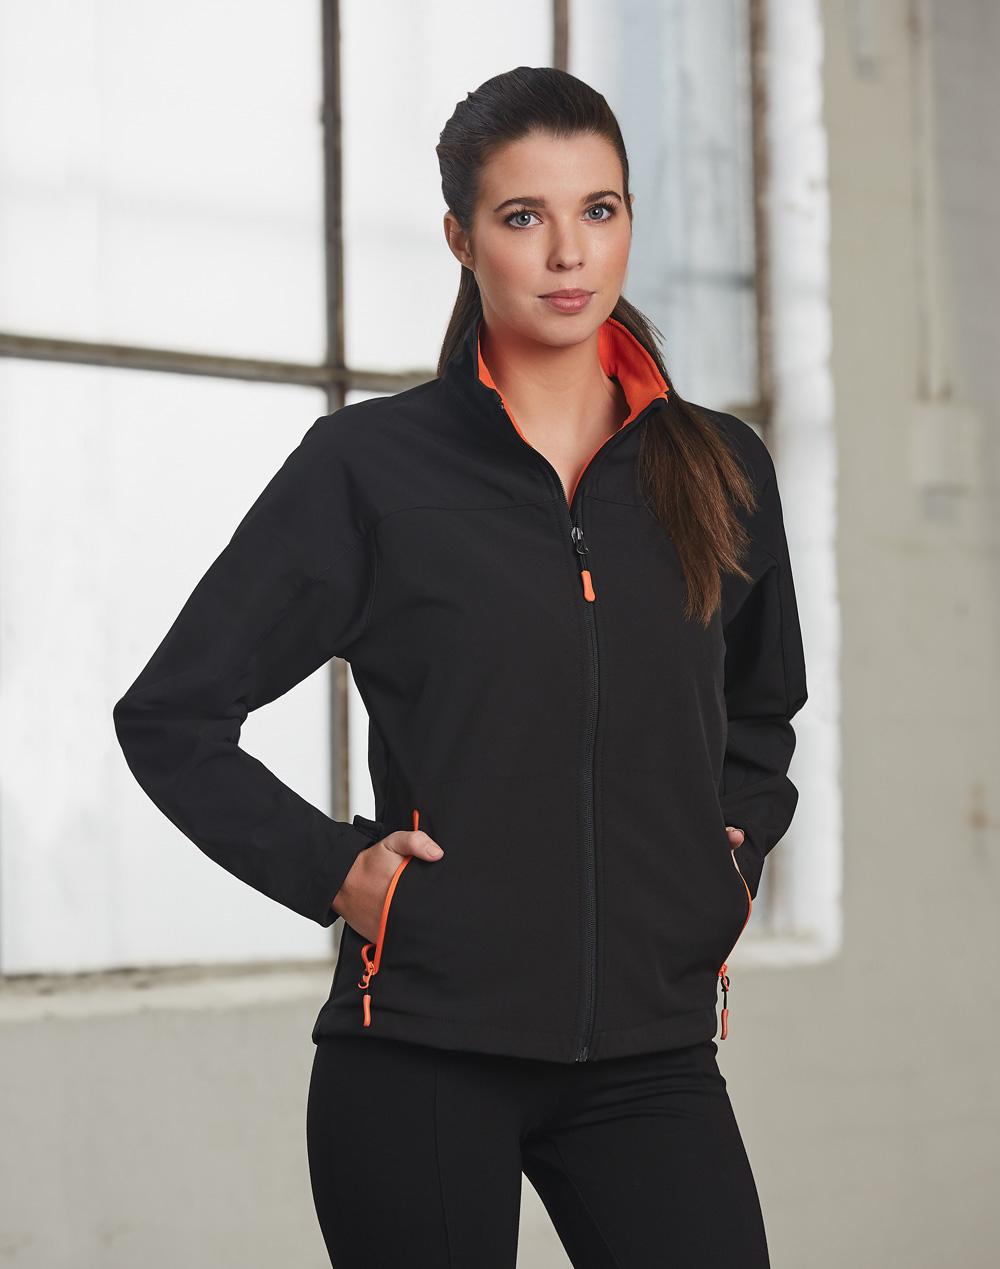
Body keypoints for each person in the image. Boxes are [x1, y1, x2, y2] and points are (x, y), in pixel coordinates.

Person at [113, 66, 807, 1269]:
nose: (568, 253)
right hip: (422, 1049)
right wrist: (337, 871)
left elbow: (760, 712)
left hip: (649, 1052)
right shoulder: (371, 471)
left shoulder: (719, 468)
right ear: (460, 238)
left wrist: (725, 862)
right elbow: (171, 717)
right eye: (523, 216)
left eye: (598, 210)